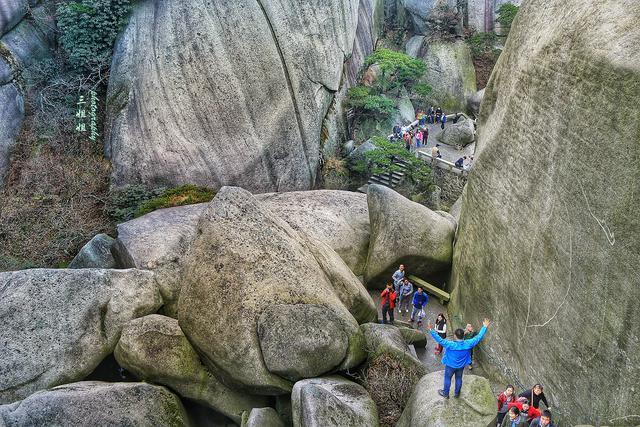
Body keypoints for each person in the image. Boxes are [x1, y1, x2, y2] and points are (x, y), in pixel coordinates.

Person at [428, 318, 490, 399]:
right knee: (459, 378)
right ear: (463, 335)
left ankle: (446, 393)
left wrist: (431, 330)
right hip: (461, 366)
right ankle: (457, 394)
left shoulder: (450, 344)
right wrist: (484, 327)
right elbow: (478, 337)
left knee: (447, 378)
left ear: (455, 335)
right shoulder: (469, 343)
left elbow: (439, 339)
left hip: (450, 365)